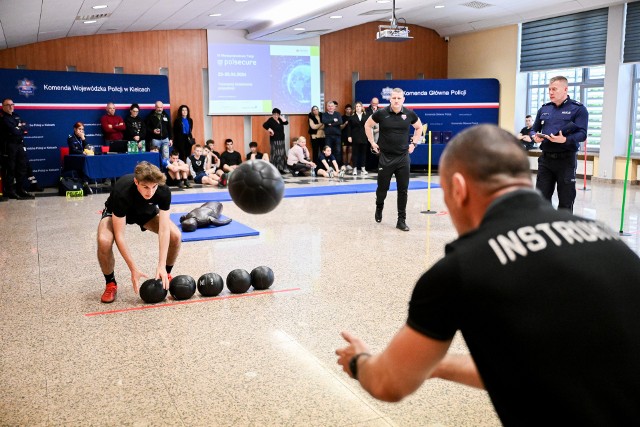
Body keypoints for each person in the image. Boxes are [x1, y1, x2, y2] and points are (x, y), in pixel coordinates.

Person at [336, 123, 640, 426]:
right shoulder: (607, 237)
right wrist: (434, 365)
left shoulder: (462, 268)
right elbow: (548, 365)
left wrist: (358, 360)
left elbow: (389, 383)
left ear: (458, 188)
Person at [97, 161, 182, 303]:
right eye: (145, 187)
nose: (150, 192)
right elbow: (120, 236)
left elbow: (164, 229)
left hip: (144, 213)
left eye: (153, 187)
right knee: (104, 241)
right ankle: (110, 283)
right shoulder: (122, 191)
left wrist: (161, 265)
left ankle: (166, 274)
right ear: (136, 182)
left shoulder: (163, 190)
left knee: (175, 235)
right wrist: (133, 269)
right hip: (117, 212)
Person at [365, 88, 422, 231]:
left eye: (399, 98)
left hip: (403, 157)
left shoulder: (409, 114)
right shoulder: (382, 113)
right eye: (394, 98)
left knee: (403, 190)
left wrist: (414, 144)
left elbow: (419, 127)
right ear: (390, 99)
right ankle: (379, 207)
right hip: (386, 157)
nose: (396, 100)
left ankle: (401, 220)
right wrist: (372, 142)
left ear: (403, 99)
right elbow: (368, 125)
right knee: (382, 189)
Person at [531, 76, 589, 212]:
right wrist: (534, 137)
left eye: (554, 89)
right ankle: (543, 230)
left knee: (565, 200)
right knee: (541, 200)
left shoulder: (578, 109)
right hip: (546, 160)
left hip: (566, 160)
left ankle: (564, 230)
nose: (551, 92)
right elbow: (534, 129)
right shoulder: (544, 109)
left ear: (565, 89)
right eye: (549, 89)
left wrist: (565, 140)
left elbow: (583, 134)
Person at [1, 98, 35, 199]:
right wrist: (19, 128)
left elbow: (27, 127)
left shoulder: (16, 116)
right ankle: (10, 191)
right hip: (9, 146)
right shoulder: (3, 118)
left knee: (22, 168)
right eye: (8, 105)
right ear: (3, 107)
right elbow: (14, 131)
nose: (11, 106)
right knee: (10, 169)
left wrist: (19, 128)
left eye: (12, 104)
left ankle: (20, 189)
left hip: (20, 145)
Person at [262, 108, 289, 174]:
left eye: (277, 114)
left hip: (281, 139)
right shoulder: (271, 120)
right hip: (275, 140)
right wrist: (270, 130)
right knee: (276, 154)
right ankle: (275, 169)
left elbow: (286, 122)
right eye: (274, 114)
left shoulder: (280, 119)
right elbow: (264, 125)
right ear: (272, 114)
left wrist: (281, 117)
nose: (276, 116)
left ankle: (281, 168)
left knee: (282, 154)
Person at [348, 101, 369, 176]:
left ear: (362, 107)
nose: (358, 108)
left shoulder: (366, 116)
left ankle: (363, 168)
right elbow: (349, 127)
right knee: (355, 153)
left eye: (359, 106)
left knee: (363, 153)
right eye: (356, 106)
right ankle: (355, 169)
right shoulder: (352, 117)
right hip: (355, 137)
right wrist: (349, 136)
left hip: (364, 136)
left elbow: (369, 127)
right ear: (355, 108)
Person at [321, 101, 343, 166]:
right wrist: (333, 120)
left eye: (332, 106)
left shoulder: (338, 114)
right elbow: (324, 121)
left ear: (334, 107)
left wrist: (330, 124)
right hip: (328, 136)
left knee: (338, 151)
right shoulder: (324, 114)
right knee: (328, 151)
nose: (330, 107)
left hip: (337, 136)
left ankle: (337, 165)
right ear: (327, 107)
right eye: (329, 106)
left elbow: (340, 122)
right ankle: (329, 165)